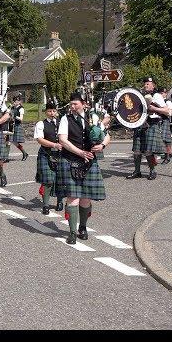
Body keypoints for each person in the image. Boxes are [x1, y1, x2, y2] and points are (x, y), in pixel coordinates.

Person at [56, 92, 110, 244]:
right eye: (71, 104)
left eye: (76, 104)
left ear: (84, 103)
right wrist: (80, 152)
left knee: (85, 199)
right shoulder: (65, 119)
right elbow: (62, 140)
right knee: (72, 199)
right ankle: (72, 232)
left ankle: (83, 227)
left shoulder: (93, 118)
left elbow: (107, 135)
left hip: (89, 163)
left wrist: (102, 145)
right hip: (71, 160)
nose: (72, 107)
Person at [126, 77, 169, 180]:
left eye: (148, 84)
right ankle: (137, 171)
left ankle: (152, 171)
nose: (146, 85)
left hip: (151, 124)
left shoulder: (157, 96)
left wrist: (154, 108)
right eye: (145, 84)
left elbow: (167, 111)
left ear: (153, 85)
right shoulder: (139, 95)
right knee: (137, 150)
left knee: (148, 151)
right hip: (139, 124)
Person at [34, 101, 64, 214]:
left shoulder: (62, 123)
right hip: (46, 153)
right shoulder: (41, 124)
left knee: (61, 179)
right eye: (50, 111)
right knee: (48, 181)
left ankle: (60, 201)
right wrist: (54, 145)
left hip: (61, 154)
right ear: (46, 112)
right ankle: (45, 205)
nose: (52, 113)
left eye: (54, 111)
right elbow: (39, 139)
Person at [10, 94, 29, 160]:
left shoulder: (21, 108)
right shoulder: (12, 108)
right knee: (10, 141)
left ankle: (24, 153)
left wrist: (14, 116)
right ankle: (5, 157)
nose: (14, 102)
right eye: (14, 101)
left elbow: (21, 118)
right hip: (11, 125)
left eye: (16, 101)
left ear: (19, 101)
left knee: (14, 141)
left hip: (17, 125)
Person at [159, 87, 172, 164]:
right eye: (161, 93)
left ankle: (167, 156)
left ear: (165, 93)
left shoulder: (167, 101)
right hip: (158, 121)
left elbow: (170, 113)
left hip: (165, 121)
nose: (162, 94)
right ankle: (167, 154)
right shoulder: (157, 101)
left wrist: (160, 111)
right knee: (162, 140)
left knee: (165, 140)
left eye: (163, 93)